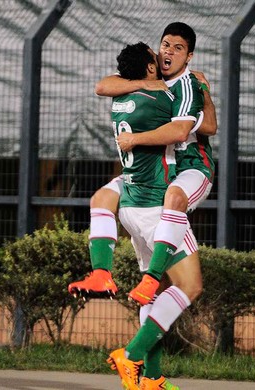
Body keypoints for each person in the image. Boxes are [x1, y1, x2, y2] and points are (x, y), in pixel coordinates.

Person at [68, 22, 216, 308]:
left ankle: (150, 280)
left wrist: (134, 138)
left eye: (178, 47)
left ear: (189, 56)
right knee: (101, 198)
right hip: (147, 176)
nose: (168, 52)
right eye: (165, 45)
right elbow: (102, 85)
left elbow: (206, 126)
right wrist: (144, 83)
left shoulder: (188, 85)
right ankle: (103, 274)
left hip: (185, 171)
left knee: (186, 285)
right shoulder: (149, 77)